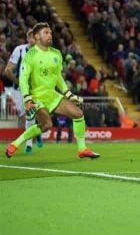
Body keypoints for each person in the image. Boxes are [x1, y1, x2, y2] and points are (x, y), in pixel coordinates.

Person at [5, 23, 99, 159]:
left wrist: (68, 94)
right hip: (36, 97)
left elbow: (58, 77)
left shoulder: (56, 54)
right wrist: (27, 98)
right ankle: (15, 144)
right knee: (47, 125)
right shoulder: (30, 56)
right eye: (46, 33)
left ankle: (82, 149)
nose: (50, 35)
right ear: (37, 37)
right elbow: (24, 79)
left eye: (50, 32)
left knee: (78, 114)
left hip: (52, 96)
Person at [3, 29, 42, 154]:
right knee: (26, 115)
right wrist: (18, 81)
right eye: (29, 37)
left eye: (34, 37)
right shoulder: (19, 50)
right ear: (27, 38)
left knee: (32, 114)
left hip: (35, 89)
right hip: (18, 90)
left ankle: (29, 144)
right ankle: (36, 134)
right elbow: (8, 70)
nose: (32, 40)